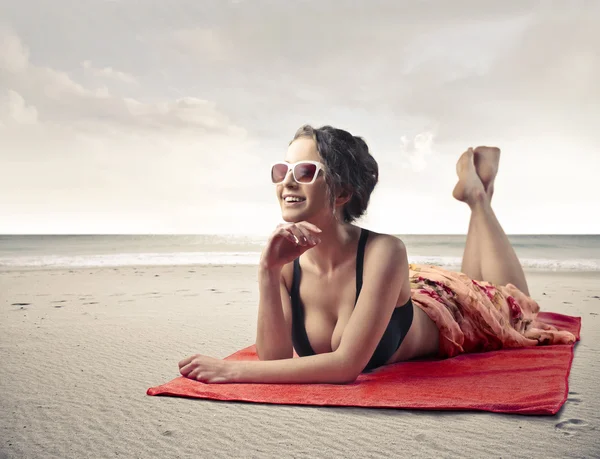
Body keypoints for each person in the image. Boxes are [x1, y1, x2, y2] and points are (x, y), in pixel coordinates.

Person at [178, 125, 575, 384]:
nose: (286, 182)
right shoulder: (286, 268)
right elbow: (274, 358)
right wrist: (266, 271)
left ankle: (478, 199)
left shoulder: (385, 250)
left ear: (344, 192)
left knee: (505, 300)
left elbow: (347, 366)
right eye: (282, 170)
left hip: (450, 311)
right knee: (479, 284)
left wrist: (232, 369)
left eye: (304, 172)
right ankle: (476, 193)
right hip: (407, 290)